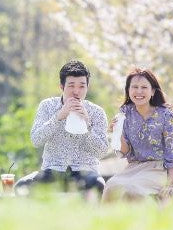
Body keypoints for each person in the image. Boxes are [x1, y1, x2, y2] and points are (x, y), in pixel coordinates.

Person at [15, 60, 109, 196]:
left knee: (99, 185)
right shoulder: (47, 106)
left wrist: (87, 125)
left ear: (87, 87)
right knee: (21, 186)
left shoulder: (96, 112)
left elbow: (101, 151)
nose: (76, 91)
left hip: (85, 171)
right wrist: (58, 117)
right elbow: (36, 140)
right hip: (52, 170)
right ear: (61, 86)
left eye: (82, 86)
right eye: (71, 85)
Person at [102, 68, 173, 201]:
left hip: (158, 168)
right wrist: (117, 133)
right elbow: (125, 150)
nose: (139, 91)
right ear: (128, 90)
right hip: (134, 167)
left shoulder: (166, 115)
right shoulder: (125, 113)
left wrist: (170, 182)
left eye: (144, 87)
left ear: (152, 91)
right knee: (111, 186)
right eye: (134, 87)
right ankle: (109, 221)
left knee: (132, 189)